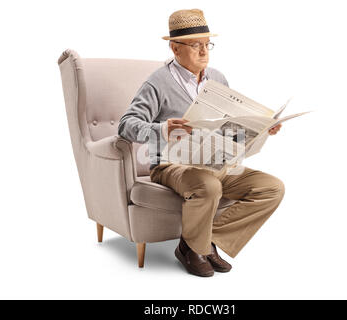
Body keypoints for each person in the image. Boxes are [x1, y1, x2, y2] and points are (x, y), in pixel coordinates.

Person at [118, 9, 285, 277]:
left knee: (271, 188)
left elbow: (229, 128)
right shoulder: (157, 82)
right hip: (170, 165)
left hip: (214, 162)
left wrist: (262, 130)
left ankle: (200, 243)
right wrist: (161, 129)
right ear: (175, 48)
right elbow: (126, 125)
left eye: (208, 44)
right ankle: (196, 248)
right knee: (207, 185)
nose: (204, 51)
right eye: (196, 45)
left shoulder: (217, 79)